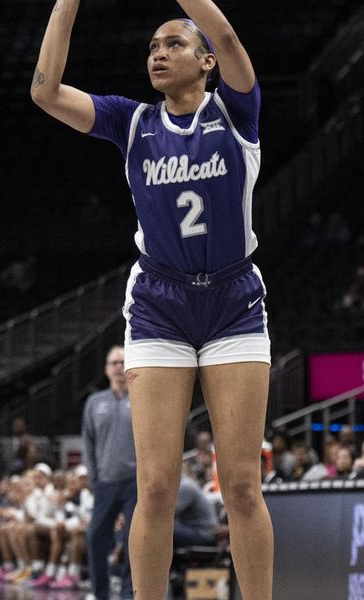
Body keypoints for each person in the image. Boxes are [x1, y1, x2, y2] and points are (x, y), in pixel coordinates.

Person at [32, 0, 273, 596]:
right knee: (157, 486)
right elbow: (45, 90)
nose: (157, 54)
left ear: (207, 61)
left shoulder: (237, 110)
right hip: (160, 305)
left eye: (172, 44)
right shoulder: (131, 121)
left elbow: (226, 31)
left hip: (233, 300)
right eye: (151, 47)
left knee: (241, 485)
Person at [80, 346, 136, 600]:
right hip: (105, 482)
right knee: (95, 538)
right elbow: (87, 442)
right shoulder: (95, 402)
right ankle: (100, 593)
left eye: (122, 362)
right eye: (113, 362)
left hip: (134, 483)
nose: (117, 367)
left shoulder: (140, 398)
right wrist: (94, 477)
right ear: (106, 368)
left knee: (133, 541)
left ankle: (128, 594)